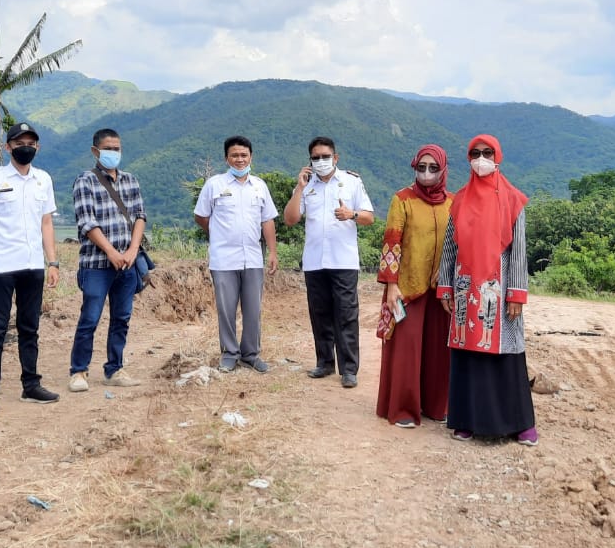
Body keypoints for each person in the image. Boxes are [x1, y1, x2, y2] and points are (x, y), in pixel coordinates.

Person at [436, 134, 537, 446]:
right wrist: (445, 288)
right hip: (466, 286)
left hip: (500, 287)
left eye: (487, 152)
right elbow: (449, 249)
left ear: (498, 157)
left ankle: (520, 424)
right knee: (468, 354)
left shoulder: (512, 199)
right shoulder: (460, 200)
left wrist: (517, 293)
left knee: (506, 354)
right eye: (475, 153)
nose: (481, 158)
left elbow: (518, 250)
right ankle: (466, 421)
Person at [0, 121, 61, 414]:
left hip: (33, 266)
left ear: (37, 147)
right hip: (0, 267)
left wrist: (53, 262)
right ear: (8, 147)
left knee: (29, 327)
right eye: (20, 143)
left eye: (31, 143)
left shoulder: (43, 180)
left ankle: (31, 385)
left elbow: (46, 222)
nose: (26, 148)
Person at [283, 135, 374, 388]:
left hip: (343, 260)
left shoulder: (352, 182)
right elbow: (290, 219)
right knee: (319, 313)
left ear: (335, 158)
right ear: (309, 160)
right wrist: (299, 187)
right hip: (314, 261)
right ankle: (324, 362)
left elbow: (369, 217)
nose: (321, 161)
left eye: (325, 156)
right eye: (316, 157)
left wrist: (351, 214)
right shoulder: (307, 185)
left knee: (346, 314)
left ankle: (349, 369)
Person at [375, 144, 453, 428]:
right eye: (422, 168)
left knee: (438, 350)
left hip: (441, 288)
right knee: (406, 348)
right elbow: (392, 242)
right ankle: (403, 409)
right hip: (407, 286)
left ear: (443, 170)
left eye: (433, 168)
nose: (427, 174)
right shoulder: (403, 199)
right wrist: (391, 284)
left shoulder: (452, 203)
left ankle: (435, 406)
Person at [67, 128, 145, 392]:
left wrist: (133, 250)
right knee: (90, 318)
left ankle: (115, 368)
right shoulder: (85, 181)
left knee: (121, 318)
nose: (114, 153)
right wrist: (111, 252)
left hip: (127, 263)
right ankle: (79, 371)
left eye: (117, 148)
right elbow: (87, 222)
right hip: (97, 265)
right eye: (108, 148)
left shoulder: (130, 181)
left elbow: (139, 217)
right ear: (95, 151)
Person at [194, 135, 279, 372]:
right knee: (226, 308)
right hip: (223, 259)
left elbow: (268, 221)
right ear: (226, 158)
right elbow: (201, 216)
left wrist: (272, 252)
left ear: (251, 157)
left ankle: (251, 355)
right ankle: (229, 354)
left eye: (244, 155)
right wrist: (219, 233)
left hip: (252, 257)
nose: (239, 159)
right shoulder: (214, 185)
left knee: (253, 309)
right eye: (234, 155)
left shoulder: (260, 186)